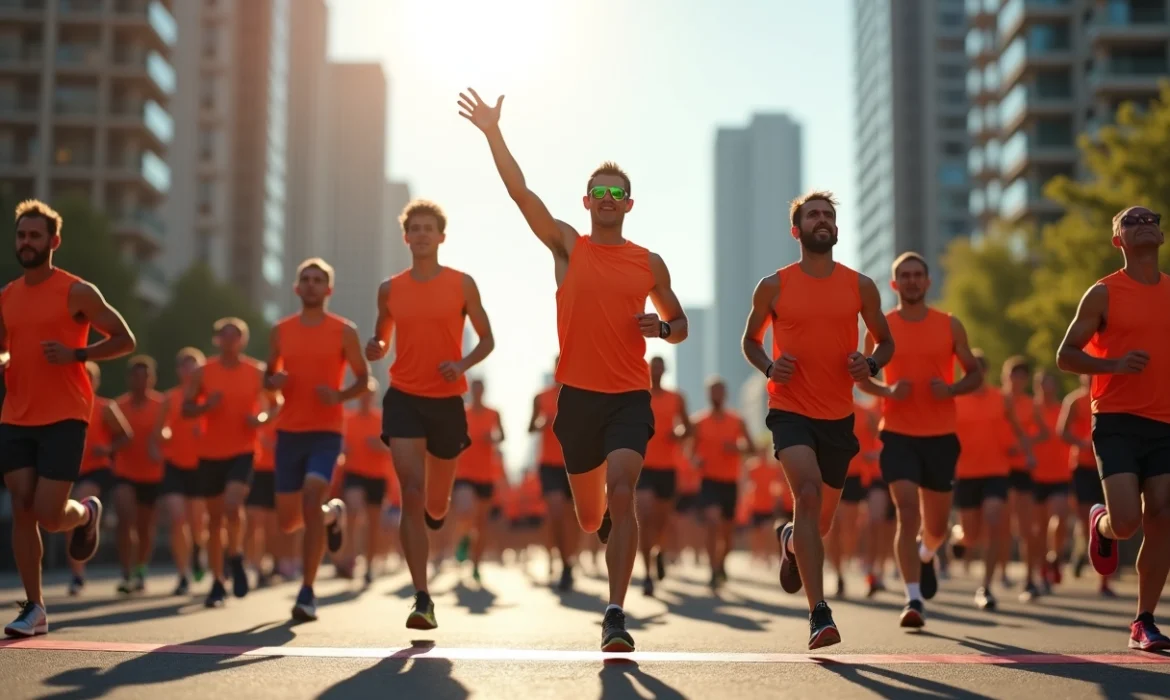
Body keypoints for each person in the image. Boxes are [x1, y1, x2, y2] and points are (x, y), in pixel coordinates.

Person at [461, 88, 688, 652]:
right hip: (578, 401)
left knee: (622, 489)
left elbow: (678, 323)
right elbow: (520, 193)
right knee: (590, 518)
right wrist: (493, 132)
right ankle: (604, 538)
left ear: (629, 204)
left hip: (629, 398)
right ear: (587, 201)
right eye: (600, 192)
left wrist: (659, 330)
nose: (609, 199)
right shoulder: (568, 246)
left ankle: (615, 613)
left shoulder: (648, 262)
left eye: (618, 193)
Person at [740, 190, 894, 650]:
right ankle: (819, 613)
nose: (822, 220)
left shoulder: (860, 286)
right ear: (798, 230)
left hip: (838, 417)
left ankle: (790, 541)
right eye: (813, 215)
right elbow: (750, 340)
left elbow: (884, 342)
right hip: (789, 409)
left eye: (828, 215)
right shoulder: (774, 285)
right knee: (805, 494)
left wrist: (869, 365)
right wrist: (769, 367)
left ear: (836, 228)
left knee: (818, 522)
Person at [2, 199, 136, 637]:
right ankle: (35, 607)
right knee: (23, 507)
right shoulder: (6, 296)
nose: (26, 242)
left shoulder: (77, 291)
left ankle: (85, 514)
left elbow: (124, 339)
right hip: (17, 412)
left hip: (64, 413)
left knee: (46, 513)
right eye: (21, 235)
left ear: (53, 242)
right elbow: (5, 346)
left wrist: (78, 353)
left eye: (35, 235)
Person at [365, 199, 494, 630]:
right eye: (414, 228)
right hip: (403, 396)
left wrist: (461, 365)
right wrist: (376, 348)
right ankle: (422, 596)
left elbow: (487, 340)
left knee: (436, 504)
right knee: (412, 491)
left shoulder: (462, 284)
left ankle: (436, 520)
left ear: (441, 237)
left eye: (428, 228)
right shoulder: (390, 289)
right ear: (406, 237)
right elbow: (382, 338)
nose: (421, 234)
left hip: (447, 402)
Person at [1055, 205, 1170, 652]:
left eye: (1151, 219)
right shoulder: (1103, 293)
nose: (1145, 224)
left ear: (1161, 234)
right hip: (1118, 419)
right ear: (1118, 240)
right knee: (1128, 523)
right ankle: (1102, 523)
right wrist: (1113, 364)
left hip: (1165, 422)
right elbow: (1066, 355)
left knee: (1163, 516)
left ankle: (1144, 620)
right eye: (1132, 221)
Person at [856, 251, 983, 628]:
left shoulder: (949, 325)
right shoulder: (881, 327)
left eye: (917, 275)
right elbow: (862, 378)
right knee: (907, 512)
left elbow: (974, 374)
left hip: (941, 436)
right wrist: (887, 391)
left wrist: (953, 388)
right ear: (894, 285)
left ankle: (927, 554)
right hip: (897, 434)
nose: (911, 281)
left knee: (938, 527)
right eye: (904, 276)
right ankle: (912, 600)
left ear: (927, 282)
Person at [267, 257, 368, 622]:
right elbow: (268, 378)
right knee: (288, 521)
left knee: (311, 497)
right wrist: (274, 385)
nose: (311, 285)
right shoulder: (280, 331)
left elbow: (362, 378)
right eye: (305, 279)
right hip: (288, 432)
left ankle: (307, 591)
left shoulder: (344, 331)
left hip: (326, 433)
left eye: (318, 280)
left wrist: (339, 397)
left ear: (329, 290)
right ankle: (331, 516)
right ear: (297, 288)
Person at [182, 317, 268, 607]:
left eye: (235, 336)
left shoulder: (255, 371)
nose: (230, 341)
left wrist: (261, 418)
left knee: (233, 506)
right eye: (224, 336)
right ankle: (218, 581)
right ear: (217, 340)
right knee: (215, 519)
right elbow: (187, 408)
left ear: (242, 341)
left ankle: (237, 556)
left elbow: (276, 403)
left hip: (243, 449)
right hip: (210, 453)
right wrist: (207, 405)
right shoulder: (203, 372)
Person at [952, 350, 1012, 609]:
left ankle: (986, 586)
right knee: (971, 536)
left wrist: (1026, 450)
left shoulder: (1000, 398)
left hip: (996, 470)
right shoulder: (955, 399)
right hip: (966, 473)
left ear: (985, 372)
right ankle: (957, 535)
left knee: (994, 517)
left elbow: (1017, 428)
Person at [67, 361, 131, 596]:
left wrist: (107, 450)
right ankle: (77, 575)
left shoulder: (105, 407)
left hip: (98, 470)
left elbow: (125, 436)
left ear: (95, 381)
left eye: (89, 377)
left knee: (80, 499)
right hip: (69, 469)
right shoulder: (65, 406)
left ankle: (127, 571)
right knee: (66, 518)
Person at [1056, 374, 1115, 597]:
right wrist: (1080, 442)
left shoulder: (1109, 398)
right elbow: (1062, 431)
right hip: (1082, 467)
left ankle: (1103, 581)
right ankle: (1082, 551)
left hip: (1107, 465)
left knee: (1109, 518)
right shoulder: (1075, 401)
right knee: (1085, 520)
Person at [637, 356, 692, 596]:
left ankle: (659, 551)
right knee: (645, 515)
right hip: (643, 465)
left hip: (668, 467)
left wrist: (678, 433)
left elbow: (688, 427)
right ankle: (647, 574)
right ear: (648, 370)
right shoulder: (639, 395)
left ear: (665, 370)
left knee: (661, 520)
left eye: (660, 367)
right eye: (653, 367)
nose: (657, 370)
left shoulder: (676, 398)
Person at [692, 377, 753, 589]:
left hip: (730, 482)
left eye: (719, 391)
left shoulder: (737, 420)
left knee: (727, 534)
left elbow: (752, 448)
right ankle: (712, 569)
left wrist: (737, 449)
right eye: (712, 392)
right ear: (708, 395)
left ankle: (721, 564)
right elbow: (688, 451)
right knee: (712, 522)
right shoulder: (698, 422)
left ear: (725, 394)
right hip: (709, 481)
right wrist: (695, 460)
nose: (716, 395)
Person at [113, 356, 166, 594]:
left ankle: (140, 570)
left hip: (152, 473)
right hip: (124, 471)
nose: (140, 381)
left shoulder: (161, 404)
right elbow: (109, 436)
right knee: (125, 518)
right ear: (129, 379)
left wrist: (163, 441)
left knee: (145, 526)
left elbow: (171, 431)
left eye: (145, 376)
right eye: (136, 376)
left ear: (152, 379)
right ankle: (125, 572)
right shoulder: (117, 406)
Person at [158, 347, 206, 595]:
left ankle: (198, 550)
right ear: (178, 370)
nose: (190, 371)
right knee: (178, 519)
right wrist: (164, 437)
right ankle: (183, 574)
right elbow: (161, 429)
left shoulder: (207, 397)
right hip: (175, 464)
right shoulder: (171, 398)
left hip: (200, 466)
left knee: (198, 522)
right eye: (185, 366)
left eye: (195, 365)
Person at [1001, 356, 1047, 600]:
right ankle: (1001, 572)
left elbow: (1043, 432)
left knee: (1027, 527)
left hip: (1023, 470)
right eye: (1012, 375)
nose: (1016, 380)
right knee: (1001, 524)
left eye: (1021, 376)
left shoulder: (1030, 404)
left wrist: (1025, 444)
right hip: (998, 469)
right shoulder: (997, 400)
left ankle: (1030, 579)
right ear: (1004, 377)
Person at [529, 360, 577, 590]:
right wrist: (542, 422)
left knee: (573, 519)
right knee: (556, 513)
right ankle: (565, 565)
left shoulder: (581, 394)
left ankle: (570, 559)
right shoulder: (541, 397)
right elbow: (531, 426)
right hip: (549, 465)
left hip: (576, 461)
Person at [453, 378, 504, 583]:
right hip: (464, 472)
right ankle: (464, 539)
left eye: (480, 390)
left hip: (486, 474)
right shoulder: (461, 413)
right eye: (474, 389)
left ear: (483, 391)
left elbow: (502, 435)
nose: (477, 393)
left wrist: (493, 438)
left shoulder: (494, 413)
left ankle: (476, 564)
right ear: (470, 391)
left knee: (482, 525)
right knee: (465, 510)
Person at [828, 398, 880, 599]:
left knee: (850, 529)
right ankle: (838, 574)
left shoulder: (866, 413)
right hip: (831, 472)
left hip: (856, 476)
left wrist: (873, 454)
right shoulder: (827, 407)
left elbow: (882, 438)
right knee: (833, 527)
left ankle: (854, 563)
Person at [1032, 370, 1071, 591]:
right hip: (1035, 475)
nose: (1047, 389)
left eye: (1051, 384)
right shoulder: (1032, 410)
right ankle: (1041, 571)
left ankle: (1054, 556)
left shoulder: (1062, 409)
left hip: (1060, 474)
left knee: (1060, 517)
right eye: (1043, 384)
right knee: (1038, 529)